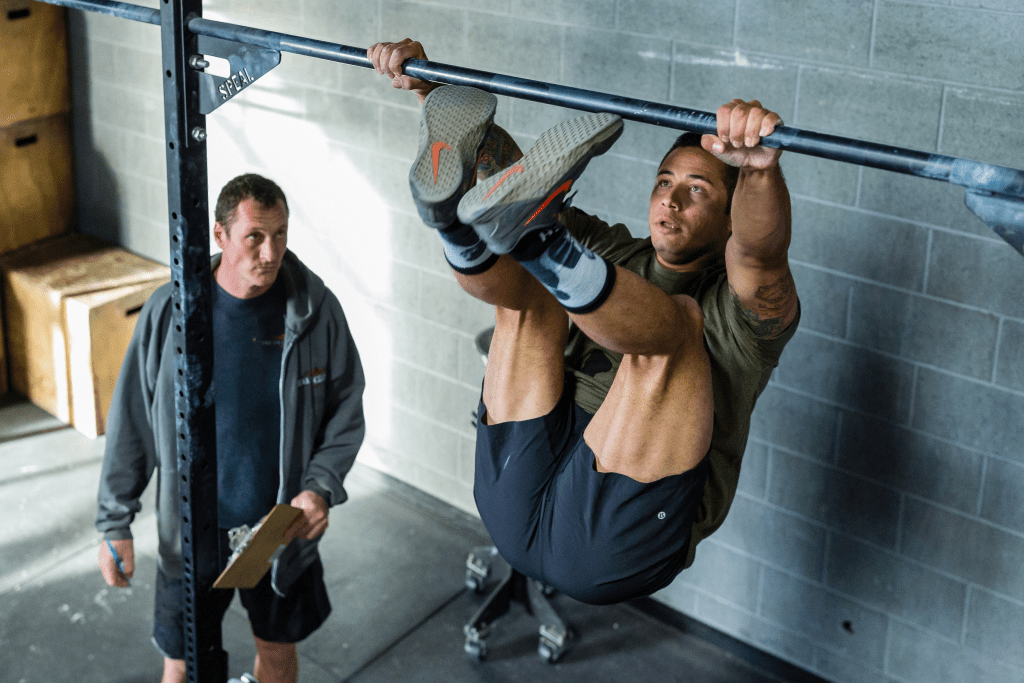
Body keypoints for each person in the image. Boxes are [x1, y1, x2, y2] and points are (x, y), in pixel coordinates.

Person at [368, 40, 799, 605]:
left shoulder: (742, 313)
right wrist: (435, 89)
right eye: (665, 182)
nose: (671, 200)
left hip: (613, 544)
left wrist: (760, 170)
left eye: (698, 191)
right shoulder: (614, 250)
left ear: (728, 219)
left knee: (676, 329)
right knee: (529, 279)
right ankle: (455, 227)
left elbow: (762, 254)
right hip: (515, 492)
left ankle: (522, 240)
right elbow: (507, 182)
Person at [96, 174, 366, 683]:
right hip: (193, 532)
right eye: (255, 237)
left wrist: (319, 488)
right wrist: (115, 521)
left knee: (278, 653)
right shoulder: (170, 313)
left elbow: (346, 408)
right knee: (182, 663)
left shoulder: (314, 313)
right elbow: (131, 421)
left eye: (281, 234)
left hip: (277, 529)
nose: (271, 252)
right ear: (220, 236)